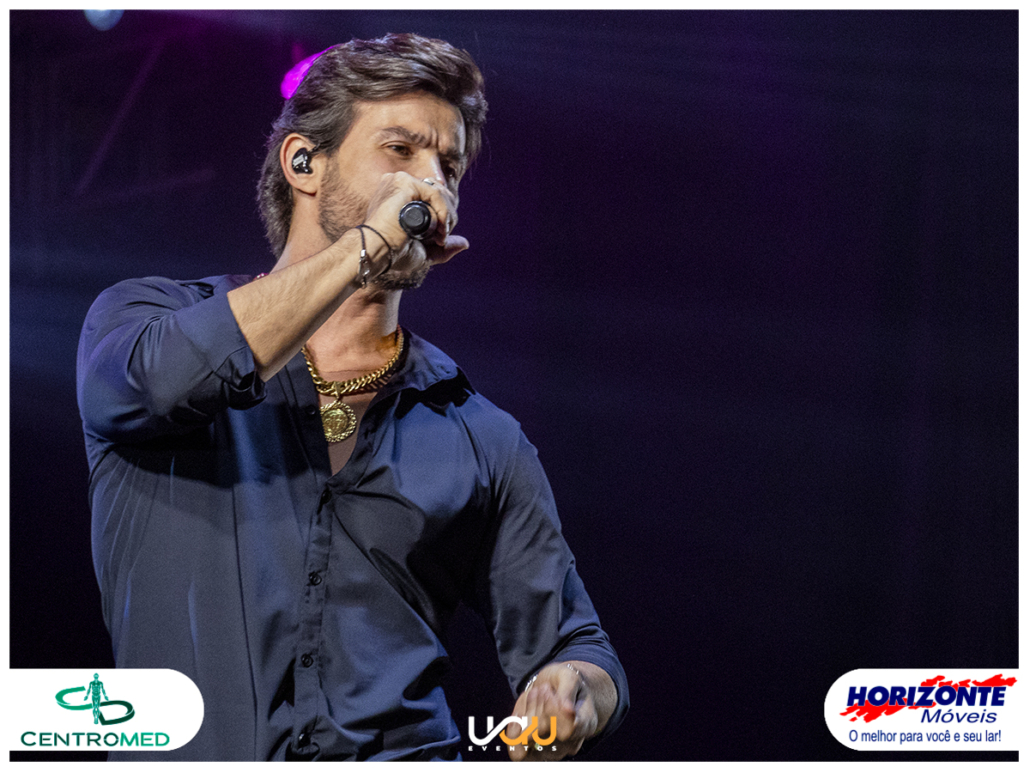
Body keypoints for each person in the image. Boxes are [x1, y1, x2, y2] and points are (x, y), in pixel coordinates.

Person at [77, 33, 628, 761]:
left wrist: (570, 691)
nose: (431, 183)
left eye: (448, 165)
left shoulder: (480, 434)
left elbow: (577, 646)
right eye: (401, 151)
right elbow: (150, 387)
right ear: (304, 163)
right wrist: (362, 248)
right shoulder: (142, 320)